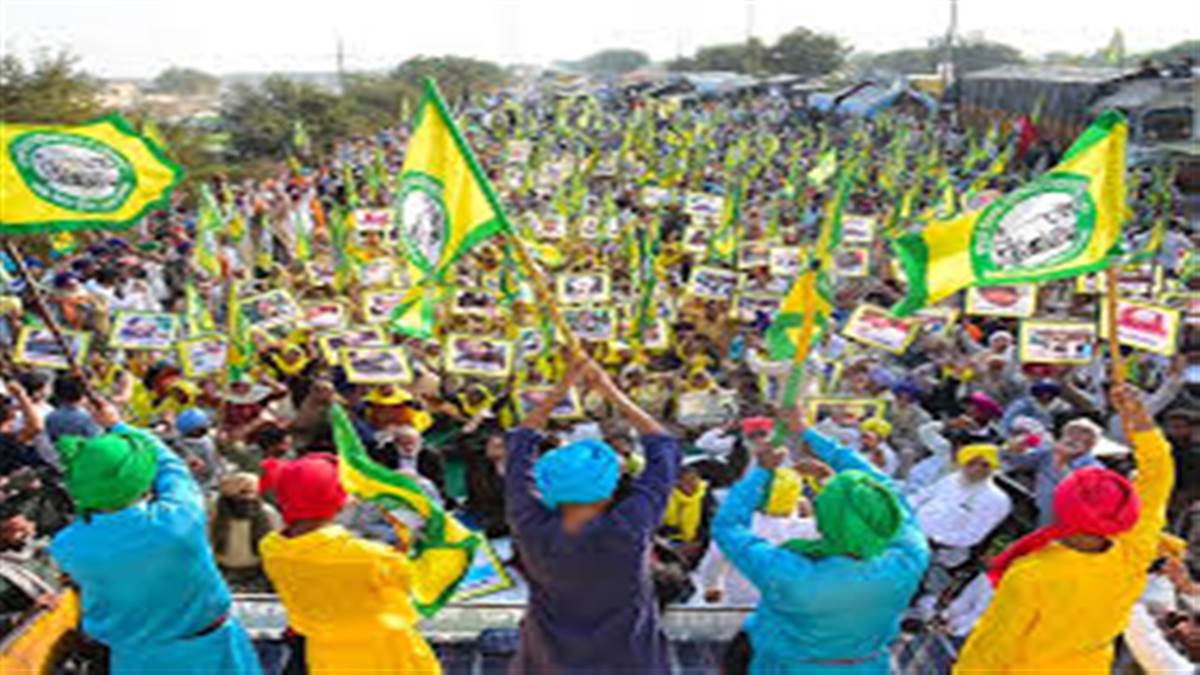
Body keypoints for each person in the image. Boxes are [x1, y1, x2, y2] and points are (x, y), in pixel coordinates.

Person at [954, 383, 1174, 672]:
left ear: (1061, 506)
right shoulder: (1133, 550)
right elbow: (1158, 475)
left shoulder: (1031, 575)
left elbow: (990, 651)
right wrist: (1139, 417)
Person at [712, 400, 930, 673]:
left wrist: (761, 472)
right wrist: (809, 437)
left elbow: (728, 527)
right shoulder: (909, 557)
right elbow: (885, 489)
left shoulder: (791, 571)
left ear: (826, 519)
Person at [48, 398, 261, 674]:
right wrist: (117, 424)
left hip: (136, 662)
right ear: (141, 481)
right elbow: (172, 467)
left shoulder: (67, 546)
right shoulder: (178, 521)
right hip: (215, 653)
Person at [505, 353, 679, 674]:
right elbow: (663, 445)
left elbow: (518, 446)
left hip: (547, 661)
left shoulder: (529, 524)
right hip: (628, 662)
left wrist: (559, 392)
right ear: (610, 487)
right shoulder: (629, 527)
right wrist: (610, 390)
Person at [258, 453, 442, 674]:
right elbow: (422, 582)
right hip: (386, 659)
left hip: (323, 658)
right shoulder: (372, 557)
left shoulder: (272, 548)